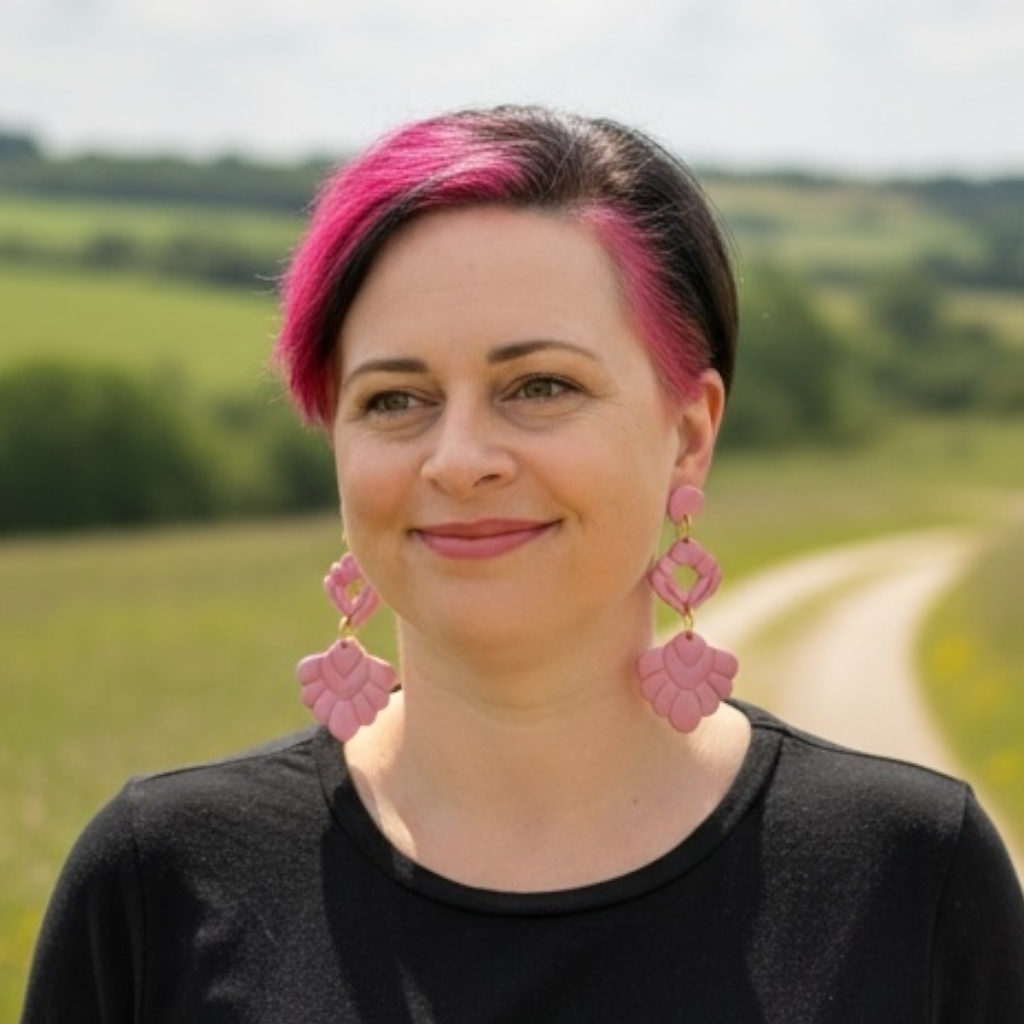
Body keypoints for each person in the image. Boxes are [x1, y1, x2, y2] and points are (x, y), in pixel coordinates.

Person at [21, 105, 1024, 1023]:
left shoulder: (909, 875)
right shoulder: (160, 880)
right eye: (394, 399)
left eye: (538, 385)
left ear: (687, 435)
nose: (458, 460)